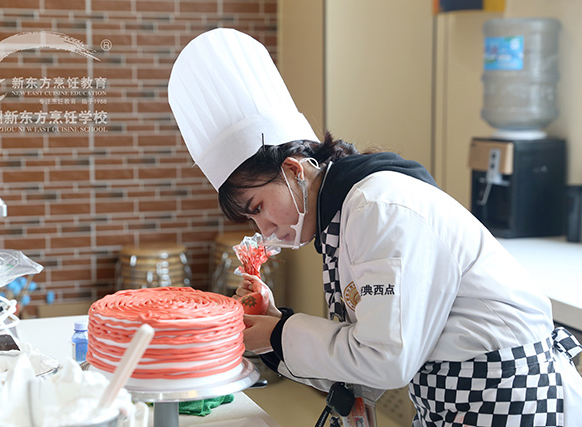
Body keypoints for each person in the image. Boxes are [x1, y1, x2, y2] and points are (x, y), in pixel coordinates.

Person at [168, 28, 582, 426]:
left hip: (508, 400)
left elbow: (385, 360)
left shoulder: (378, 208)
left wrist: (277, 335)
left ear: (294, 171)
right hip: (458, 403)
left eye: (258, 207)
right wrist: (275, 326)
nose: (264, 228)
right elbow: (360, 372)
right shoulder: (344, 217)